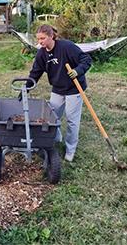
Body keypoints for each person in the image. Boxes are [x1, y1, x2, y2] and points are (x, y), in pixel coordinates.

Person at [26, 24, 92, 162]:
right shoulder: (42, 53)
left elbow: (86, 60)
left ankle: (70, 149)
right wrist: (27, 87)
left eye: (43, 38)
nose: (40, 42)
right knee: (52, 117)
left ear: (51, 36)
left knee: (72, 120)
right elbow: (35, 72)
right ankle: (55, 140)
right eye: (38, 39)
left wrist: (77, 71)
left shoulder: (66, 47)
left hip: (74, 88)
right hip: (57, 88)